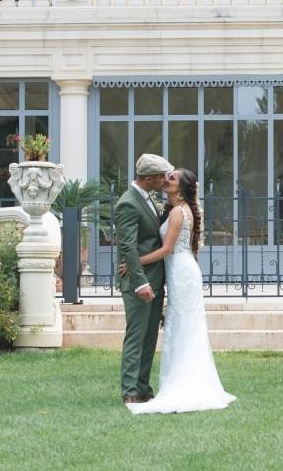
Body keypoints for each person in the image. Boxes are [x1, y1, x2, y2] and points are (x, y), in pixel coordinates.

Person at [122, 167, 236, 415]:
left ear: (182, 187)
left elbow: (167, 250)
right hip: (179, 272)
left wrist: (134, 262)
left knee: (183, 327)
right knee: (182, 327)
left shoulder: (177, 213)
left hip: (182, 273)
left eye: (171, 178)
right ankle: (185, 380)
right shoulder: (176, 210)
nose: (165, 180)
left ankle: (185, 384)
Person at [115, 153, 171, 405]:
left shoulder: (148, 199)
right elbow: (127, 246)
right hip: (140, 282)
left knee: (150, 337)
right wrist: (140, 282)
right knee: (137, 336)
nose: (164, 181)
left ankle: (143, 387)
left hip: (156, 278)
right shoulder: (128, 203)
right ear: (149, 178)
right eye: (161, 177)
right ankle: (129, 391)